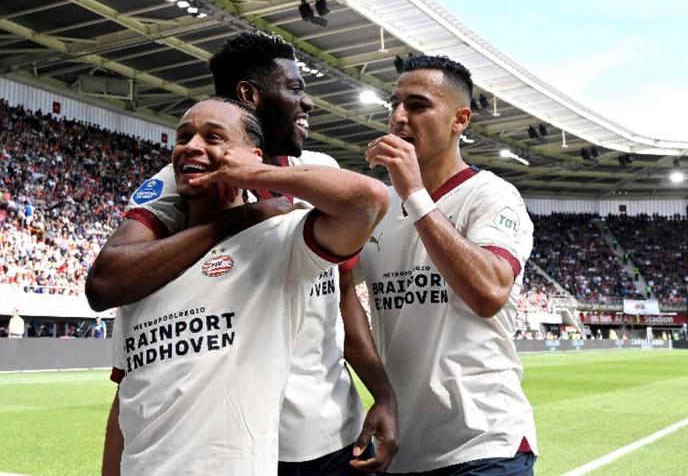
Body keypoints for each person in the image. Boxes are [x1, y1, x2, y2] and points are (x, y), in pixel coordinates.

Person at [90, 31, 397, 475]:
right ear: (250, 95)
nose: (307, 103)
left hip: (327, 431)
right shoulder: (186, 178)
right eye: (294, 89)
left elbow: (344, 293)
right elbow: (108, 281)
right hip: (241, 443)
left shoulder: (322, 175)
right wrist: (251, 212)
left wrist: (383, 392)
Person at [360, 55, 537, 475]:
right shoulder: (377, 208)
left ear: (460, 119)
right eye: (395, 105)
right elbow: (340, 294)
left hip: (484, 443)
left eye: (417, 106)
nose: (399, 117)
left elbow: (489, 292)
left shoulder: (491, 196)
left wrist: (416, 195)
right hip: (401, 450)